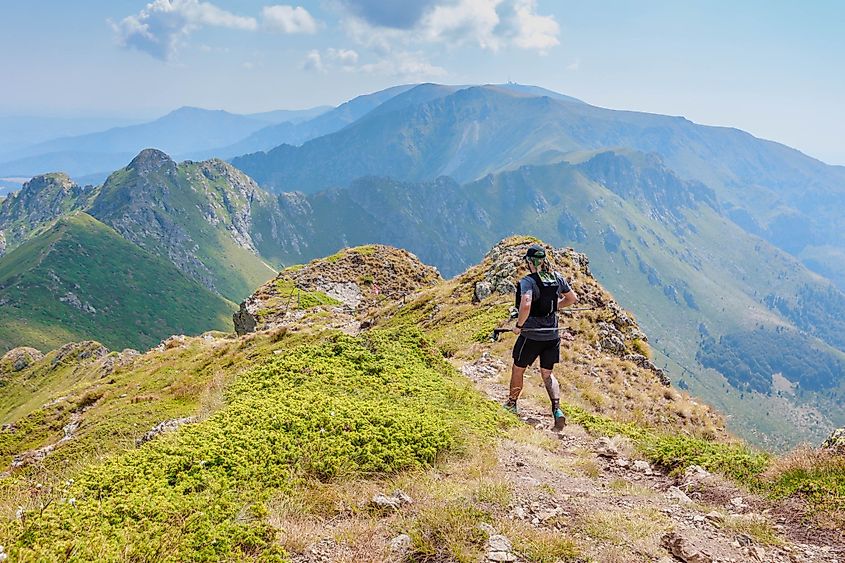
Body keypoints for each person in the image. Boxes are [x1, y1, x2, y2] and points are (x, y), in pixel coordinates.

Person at [505, 244, 578, 430]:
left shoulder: (527, 281)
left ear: (529, 262)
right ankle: (557, 410)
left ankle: (512, 404)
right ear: (544, 260)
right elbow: (572, 299)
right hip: (552, 335)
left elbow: (526, 304)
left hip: (531, 335)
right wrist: (554, 307)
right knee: (547, 374)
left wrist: (519, 326)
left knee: (518, 368)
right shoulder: (557, 278)